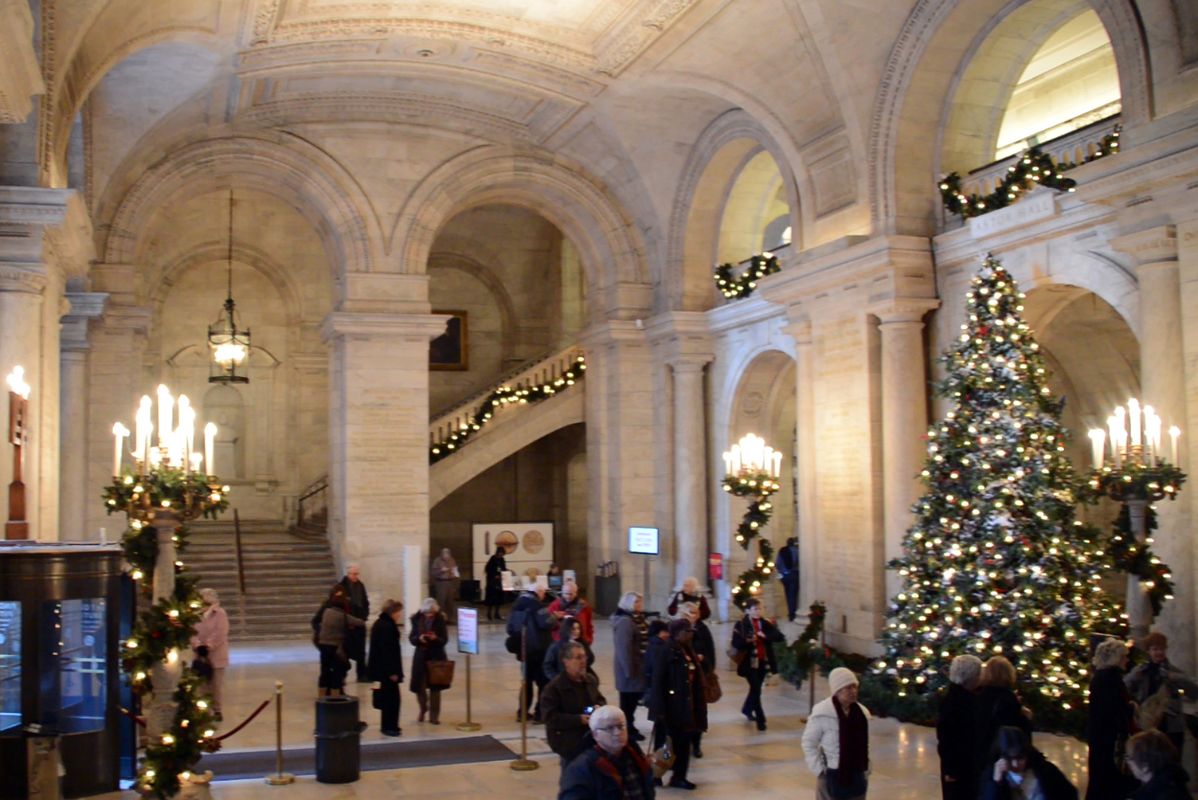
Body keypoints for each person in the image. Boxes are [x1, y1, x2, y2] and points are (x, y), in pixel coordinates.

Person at [646, 618, 706, 791]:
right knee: (666, 745)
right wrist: (659, 710)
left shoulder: (688, 649)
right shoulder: (666, 651)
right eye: (687, 632)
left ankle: (679, 776)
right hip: (670, 708)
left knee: (683, 743)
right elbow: (658, 682)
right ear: (677, 633)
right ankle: (656, 773)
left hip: (686, 707)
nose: (689, 635)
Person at [802, 667, 871, 800]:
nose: (854, 691)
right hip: (832, 774)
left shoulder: (861, 713)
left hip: (857, 773)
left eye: (855, 687)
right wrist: (820, 771)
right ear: (837, 690)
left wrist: (866, 768)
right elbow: (809, 743)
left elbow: (864, 744)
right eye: (848, 688)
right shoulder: (822, 712)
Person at [559, 706, 656, 800]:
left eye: (620, 726)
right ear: (595, 734)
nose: (617, 733)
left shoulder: (636, 755)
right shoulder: (581, 769)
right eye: (609, 728)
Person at [1125, 632, 1198, 753]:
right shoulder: (1141, 671)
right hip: (1148, 723)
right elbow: (1125, 687)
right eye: (1155, 649)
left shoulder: (1173, 672)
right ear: (1148, 651)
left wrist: (1176, 678)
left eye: (1162, 649)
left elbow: (1194, 693)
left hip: (1171, 726)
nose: (1159, 652)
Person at [541, 641, 607, 767]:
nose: (583, 661)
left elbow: (599, 699)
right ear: (566, 661)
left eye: (584, 657)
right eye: (578, 657)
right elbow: (550, 718)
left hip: (591, 740)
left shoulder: (590, 680)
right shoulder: (554, 688)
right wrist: (579, 719)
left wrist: (598, 707)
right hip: (569, 743)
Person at [1086, 638, 1138, 800]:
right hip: (1107, 734)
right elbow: (1114, 707)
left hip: (1099, 733)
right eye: (1124, 656)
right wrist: (1130, 708)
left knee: (1100, 774)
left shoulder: (1100, 676)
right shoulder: (1110, 677)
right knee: (1106, 774)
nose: (1127, 660)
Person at [974, 655, 1032, 781]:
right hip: (1000, 753)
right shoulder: (1008, 699)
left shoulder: (978, 695)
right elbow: (1016, 730)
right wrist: (1026, 718)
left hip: (979, 751)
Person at [980, 726, 1077, 800]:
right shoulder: (991, 775)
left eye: (1020, 758)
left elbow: (1070, 794)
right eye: (1009, 759)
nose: (1015, 764)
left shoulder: (1046, 771)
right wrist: (996, 783)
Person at [730, 597, 780, 731]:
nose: (758, 611)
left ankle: (747, 709)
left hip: (762, 662)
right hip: (748, 663)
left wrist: (766, 636)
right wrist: (748, 640)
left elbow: (779, 636)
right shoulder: (741, 624)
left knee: (755, 689)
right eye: (755, 609)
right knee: (756, 688)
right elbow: (736, 643)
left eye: (759, 608)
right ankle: (761, 719)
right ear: (748, 611)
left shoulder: (765, 623)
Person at [937, 654, 982, 800]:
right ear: (971, 676)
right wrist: (951, 769)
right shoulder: (959, 702)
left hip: (960, 764)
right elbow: (946, 738)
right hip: (959, 767)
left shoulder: (960, 697)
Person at [511, 582, 556, 721]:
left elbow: (510, 628)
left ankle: (522, 713)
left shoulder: (516, 605)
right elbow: (548, 622)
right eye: (543, 593)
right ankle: (540, 713)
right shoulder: (537, 606)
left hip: (524, 650)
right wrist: (554, 617)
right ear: (539, 592)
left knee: (526, 682)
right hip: (539, 650)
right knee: (543, 682)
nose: (544, 595)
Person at [679, 602, 715, 759]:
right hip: (681, 678)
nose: (693, 616)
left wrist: (704, 661)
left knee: (699, 712)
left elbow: (710, 651)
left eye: (695, 612)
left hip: (699, 677)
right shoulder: (678, 629)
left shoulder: (702, 629)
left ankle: (697, 744)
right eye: (689, 613)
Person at [611, 591, 648, 741]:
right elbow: (623, 648)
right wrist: (628, 671)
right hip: (629, 668)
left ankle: (630, 726)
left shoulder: (636, 618)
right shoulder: (625, 622)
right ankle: (628, 729)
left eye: (640, 602)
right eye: (636, 602)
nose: (639, 605)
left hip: (638, 665)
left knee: (633, 700)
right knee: (628, 702)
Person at [316, 584, 365, 696]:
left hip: (323, 645)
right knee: (337, 673)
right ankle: (335, 697)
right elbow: (359, 622)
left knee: (324, 672)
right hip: (335, 648)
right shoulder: (342, 615)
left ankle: (321, 697)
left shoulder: (326, 611)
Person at [190, 587, 230, 721]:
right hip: (199, 654)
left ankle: (217, 709)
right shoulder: (194, 614)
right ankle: (203, 710)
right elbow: (190, 631)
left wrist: (209, 646)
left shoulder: (220, 614)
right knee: (201, 685)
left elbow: (221, 632)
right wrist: (198, 645)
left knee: (216, 685)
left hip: (216, 655)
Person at [367, 599, 405, 736]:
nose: (399, 615)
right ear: (392, 612)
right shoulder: (387, 627)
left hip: (381, 670)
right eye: (398, 612)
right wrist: (393, 672)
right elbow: (388, 652)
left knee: (388, 699)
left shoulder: (381, 623)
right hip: (387, 671)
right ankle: (390, 726)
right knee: (392, 700)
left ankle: (387, 725)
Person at [408, 597, 449, 724]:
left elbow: (444, 640)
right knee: (419, 686)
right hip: (421, 656)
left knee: (435, 688)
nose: (429, 616)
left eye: (431, 614)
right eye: (427, 613)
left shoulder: (440, 619)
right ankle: (423, 708)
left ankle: (434, 716)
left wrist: (435, 638)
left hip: (436, 656)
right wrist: (419, 638)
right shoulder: (416, 619)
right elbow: (411, 638)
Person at [1125, 729, 1191, 799]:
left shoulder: (1165, 794)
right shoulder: (1172, 783)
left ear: (1145, 765)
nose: (1128, 762)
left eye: (1130, 758)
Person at [338, 564, 369, 682]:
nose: (356, 576)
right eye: (354, 574)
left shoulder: (360, 586)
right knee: (344, 651)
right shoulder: (341, 587)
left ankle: (361, 675)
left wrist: (365, 616)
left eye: (357, 574)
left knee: (361, 651)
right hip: (347, 625)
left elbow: (365, 602)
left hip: (360, 622)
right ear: (348, 574)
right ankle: (342, 676)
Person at [545, 616, 596, 682]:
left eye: (578, 628)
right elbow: (548, 666)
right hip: (563, 681)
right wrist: (557, 679)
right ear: (566, 629)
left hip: (581, 680)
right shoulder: (556, 646)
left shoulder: (582, 643)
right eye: (573, 629)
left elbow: (591, 658)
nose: (577, 631)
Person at [430, 548, 460, 622]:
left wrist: (455, 574)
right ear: (442, 554)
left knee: (450, 601)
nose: (446, 556)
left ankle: (450, 618)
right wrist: (441, 570)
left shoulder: (452, 560)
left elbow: (455, 570)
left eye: (448, 554)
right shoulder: (437, 561)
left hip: (450, 582)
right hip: (441, 582)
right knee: (441, 601)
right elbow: (433, 572)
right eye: (445, 554)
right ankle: (441, 618)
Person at [777, 537, 800, 622]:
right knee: (793, 595)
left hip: (784, 576)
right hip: (793, 575)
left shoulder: (782, 550)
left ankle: (790, 613)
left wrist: (783, 572)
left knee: (788, 594)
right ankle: (792, 614)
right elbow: (799, 562)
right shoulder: (796, 550)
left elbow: (778, 564)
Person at [484, 544, 508, 621]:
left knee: (499, 598)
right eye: (500, 553)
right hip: (492, 582)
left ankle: (497, 613)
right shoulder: (492, 559)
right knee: (491, 599)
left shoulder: (502, 560)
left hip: (499, 582)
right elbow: (487, 569)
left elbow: (504, 569)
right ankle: (489, 614)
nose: (501, 554)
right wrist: (494, 575)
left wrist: (505, 573)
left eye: (502, 553)